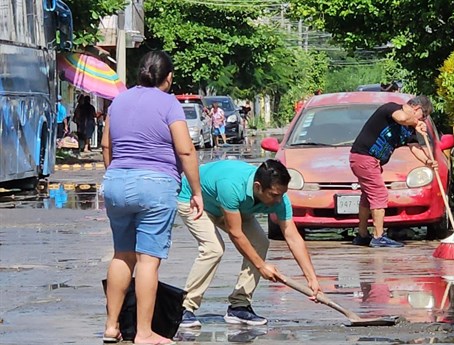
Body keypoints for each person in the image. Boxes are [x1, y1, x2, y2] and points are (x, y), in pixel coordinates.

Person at [100, 51, 204, 345]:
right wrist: (196, 191)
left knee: (122, 254)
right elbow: (185, 151)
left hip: (116, 182)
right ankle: (144, 332)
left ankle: (111, 326)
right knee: (147, 261)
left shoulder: (118, 101)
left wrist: (118, 176)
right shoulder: (169, 103)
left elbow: (106, 146)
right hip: (155, 186)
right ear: (168, 77)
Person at [177, 159, 322, 328]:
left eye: (282, 194)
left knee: (260, 243)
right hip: (196, 201)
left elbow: (293, 237)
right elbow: (235, 233)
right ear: (258, 187)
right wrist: (261, 266)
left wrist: (312, 278)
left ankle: (239, 306)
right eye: (274, 195)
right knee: (213, 249)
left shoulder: (280, 200)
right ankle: (184, 307)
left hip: (235, 207)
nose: (278, 200)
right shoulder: (231, 185)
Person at [350, 95, 436, 248]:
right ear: (416, 109)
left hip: (371, 161)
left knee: (367, 196)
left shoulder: (409, 127)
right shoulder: (391, 109)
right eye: (422, 116)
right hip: (364, 157)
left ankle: (362, 234)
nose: (422, 120)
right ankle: (378, 237)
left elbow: (414, 147)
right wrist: (417, 123)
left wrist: (428, 161)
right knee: (379, 194)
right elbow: (402, 118)